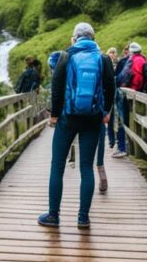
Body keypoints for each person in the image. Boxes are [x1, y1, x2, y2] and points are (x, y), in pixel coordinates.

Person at [39, 22, 115, 229]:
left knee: (57, 166)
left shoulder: (66, 56)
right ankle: (83, 218)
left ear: (75, 38)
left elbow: (56, 87)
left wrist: (54, 115)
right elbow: (111, 86)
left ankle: (53, 216)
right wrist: (106, 111)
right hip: (93, 119)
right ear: (93, 38)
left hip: (67, 118)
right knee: (86, 168)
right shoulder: (104, 58)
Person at [104, 47, 119, 152]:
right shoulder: (105, 63)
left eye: (114, 52)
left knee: (114, 119)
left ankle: (114, 140)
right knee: (109, 117)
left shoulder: (119, 64)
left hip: (116, 94)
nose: (112, 54)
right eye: (110, 52)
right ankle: (111, 140)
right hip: (107, 94)